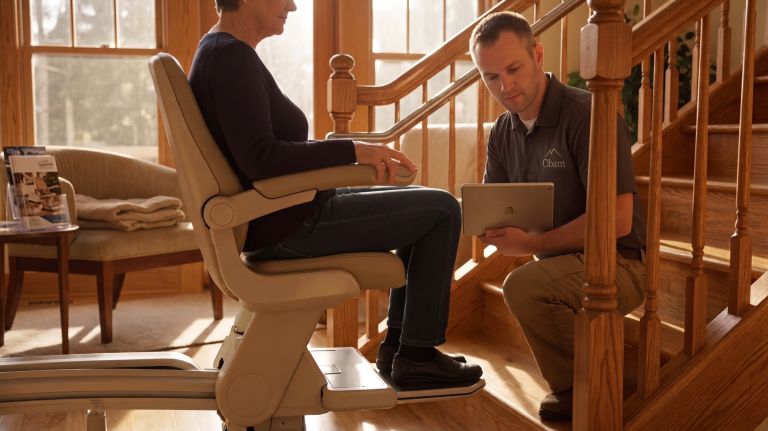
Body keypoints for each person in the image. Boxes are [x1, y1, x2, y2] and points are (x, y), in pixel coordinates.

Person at [187, 0, 482, 389]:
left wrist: (344, 160)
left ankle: (402, 349)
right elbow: (261, 157)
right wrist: (354, 150)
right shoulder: (230, 58)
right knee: (442, 210)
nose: (293, 5)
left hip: (287, 213)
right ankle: (417, 354)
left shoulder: (219, 52)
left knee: (427, 207)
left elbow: (259, 155)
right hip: (290, 225)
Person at [470, 12, 647, 420]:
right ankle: (581, 382)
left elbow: (618, 222)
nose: (505, 86)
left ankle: (590, 387)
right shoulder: (502, 131)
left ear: (537, 54)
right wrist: (486, 226)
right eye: (491, 77)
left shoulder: (587, 114)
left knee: (523, 286)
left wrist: (529, 244)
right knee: (526, 280)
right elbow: (494, 206)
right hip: (559, 265)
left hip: (619, 264)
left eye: (513, 69)